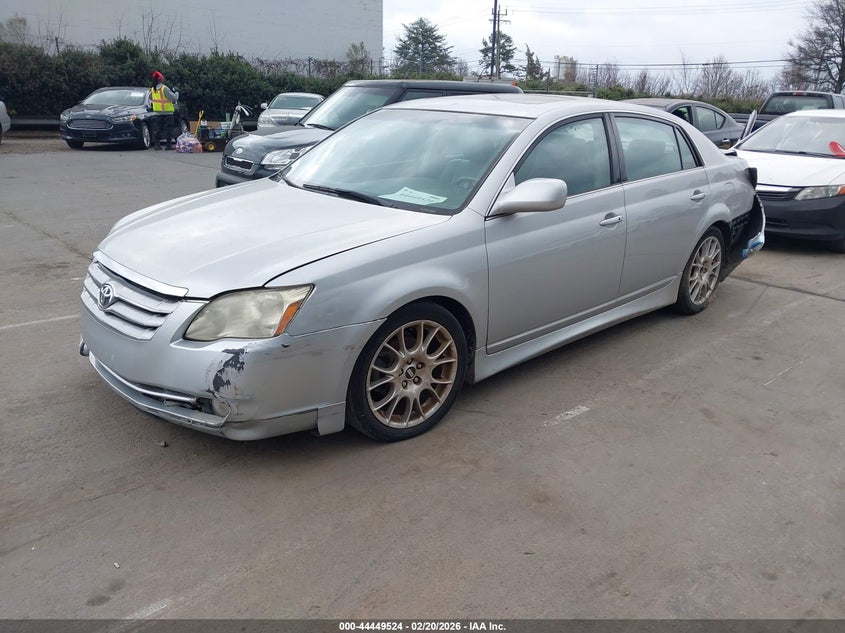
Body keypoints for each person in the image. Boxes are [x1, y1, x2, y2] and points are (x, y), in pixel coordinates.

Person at [144, 70, 179, 150]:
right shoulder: (164, 88)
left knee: (158, 128)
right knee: (169, 128)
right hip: (168, 112)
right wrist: (176, 92)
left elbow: (150, 99)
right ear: (160, 79)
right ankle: (168, 145)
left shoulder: (153, 89)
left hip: (157, 112)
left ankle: (157, 144)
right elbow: (174, 98)